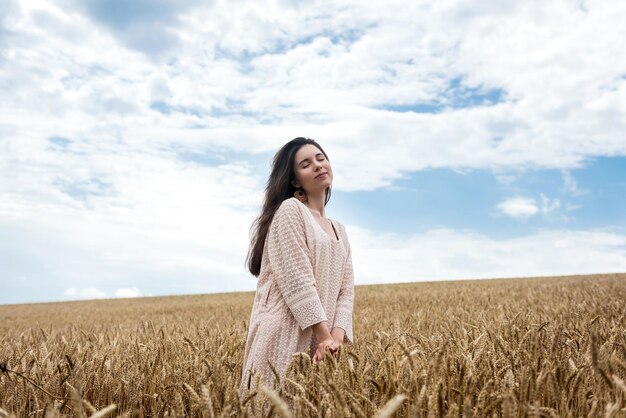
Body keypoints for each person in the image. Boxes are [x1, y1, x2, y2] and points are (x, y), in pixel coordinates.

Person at [240, 137, 355, 393]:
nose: (317, 165)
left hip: (321, 344)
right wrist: (323, 335)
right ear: (295, 180)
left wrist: (334, 340)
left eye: (320, 158)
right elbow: (297, 279)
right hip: (284, 337)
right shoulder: (290, 210)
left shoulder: (340, 230)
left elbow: (346, 292)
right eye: (306, 164)